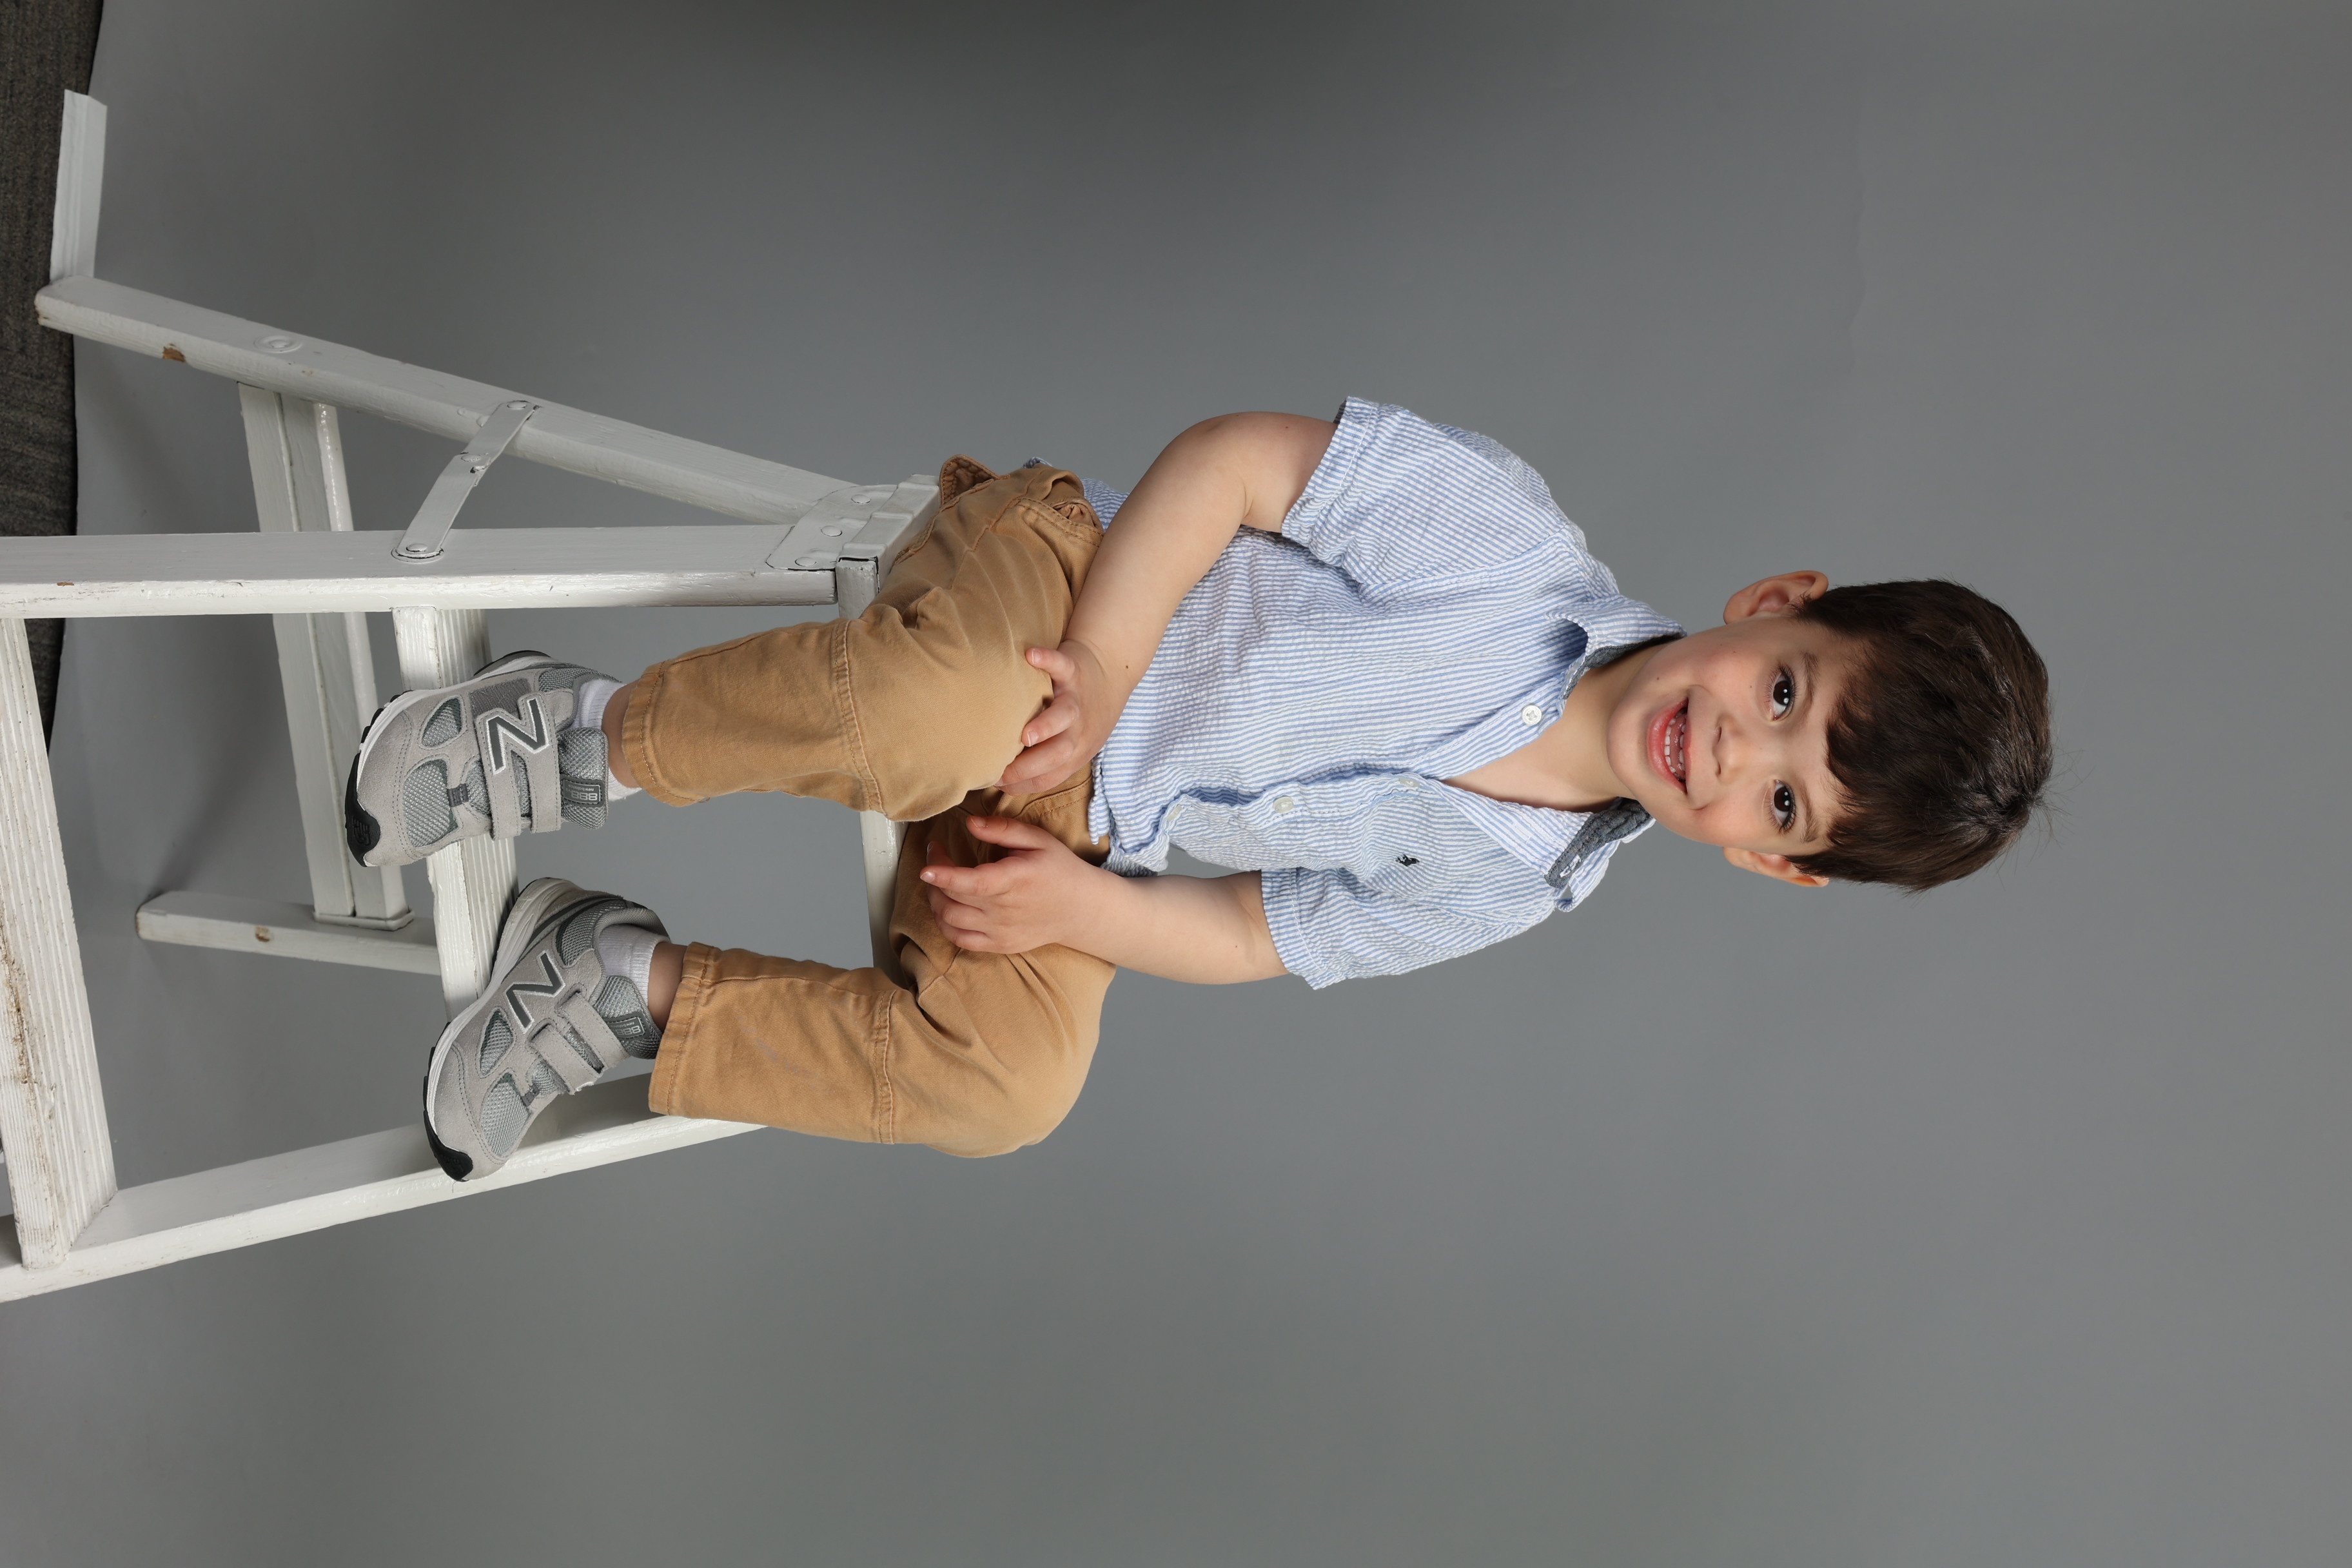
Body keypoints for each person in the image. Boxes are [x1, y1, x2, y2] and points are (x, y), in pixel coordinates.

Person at [343, 399, 2053, 1182]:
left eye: (1783, 804)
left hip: (1080, 824)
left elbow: (1253, 932)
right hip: (1063, 607)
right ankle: (571, 735)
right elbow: (1233, 466)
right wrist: (1096, 663)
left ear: (1772, 865)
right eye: (1783, 694)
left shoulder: (1517, 884)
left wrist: (1083, 905)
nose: (1737, 753)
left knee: (1012, 1091)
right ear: (1777, 606)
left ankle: (618, 982)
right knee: (940, 709)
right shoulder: (1511, 547)